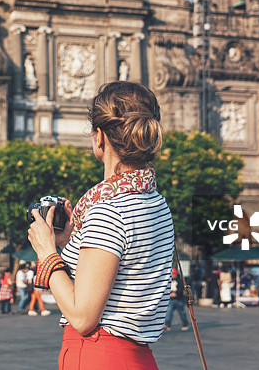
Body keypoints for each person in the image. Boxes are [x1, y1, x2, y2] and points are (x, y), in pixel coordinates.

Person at [28, 81, 173, 370]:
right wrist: (70, 243)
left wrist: (46, 252)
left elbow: (83, 318)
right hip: (138, 357)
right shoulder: (156, 202)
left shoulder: (109, 210)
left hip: (98, 354)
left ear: (100, 136)